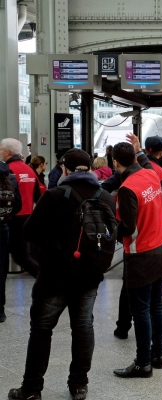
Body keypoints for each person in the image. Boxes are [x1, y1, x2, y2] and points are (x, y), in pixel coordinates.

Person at [7, 148, 116, 400]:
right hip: (89, 275)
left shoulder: (55, 195)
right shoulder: (105, 197)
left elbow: (29, 233)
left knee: (42, 329)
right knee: (83, 327)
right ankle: (79, 385)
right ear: (90, 168)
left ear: (64, 169)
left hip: (54, 276)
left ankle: (32, 389)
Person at [112, 142, 162, 379]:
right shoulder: (150, 174)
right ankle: (157, 355)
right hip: (160, 247)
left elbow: (128, 227)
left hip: (140, 254)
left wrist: (110, 228)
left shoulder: (127, 188)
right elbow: (144, 161)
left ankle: (143, 363)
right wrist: (139, 150)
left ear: (115, 163)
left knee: (141, 310)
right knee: (156, 305)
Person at [0, 138, 41, 277]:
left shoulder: (7, 170)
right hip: (27, 216)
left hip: (11, 218)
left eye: (1, 149)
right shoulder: (29, 170)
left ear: (8, 152)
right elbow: (38, 196)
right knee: (21, 255)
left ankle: (47, 280)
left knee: (17, 256)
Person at [0, 161, 22, 323]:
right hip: (3, 227)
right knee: (1, 269)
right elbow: (18, 205)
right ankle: (0, 310)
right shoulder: (11, 180)